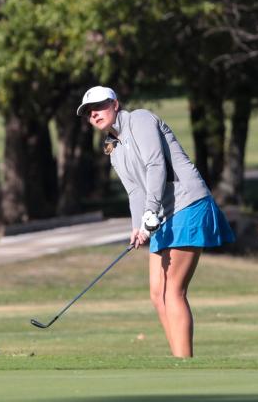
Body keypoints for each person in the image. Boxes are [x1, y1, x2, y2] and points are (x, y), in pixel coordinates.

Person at [76, 85, 235, 358]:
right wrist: (138, 226)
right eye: (89, 112)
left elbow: (156, 164)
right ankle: (177, 361)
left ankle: (185, 365)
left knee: (173, 290)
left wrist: (151, 211)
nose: (95, 114)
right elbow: (135, 190)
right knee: (157, 293)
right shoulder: (112, 146)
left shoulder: (140, 119)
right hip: (161, 214)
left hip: (188, 203)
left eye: (100, 106)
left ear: (115, 104)